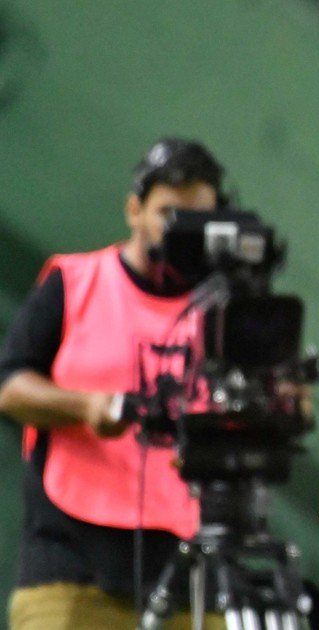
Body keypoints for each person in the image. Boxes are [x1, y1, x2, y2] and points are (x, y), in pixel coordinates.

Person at [0, 138, 226, 629]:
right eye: (168, 212)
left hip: (190, 575)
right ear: (134, 210)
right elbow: (11, 386)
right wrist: (86, 406)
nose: (182, 230)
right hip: (71, 570)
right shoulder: (74, 280)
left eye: (199, 218)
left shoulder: (225, 310)